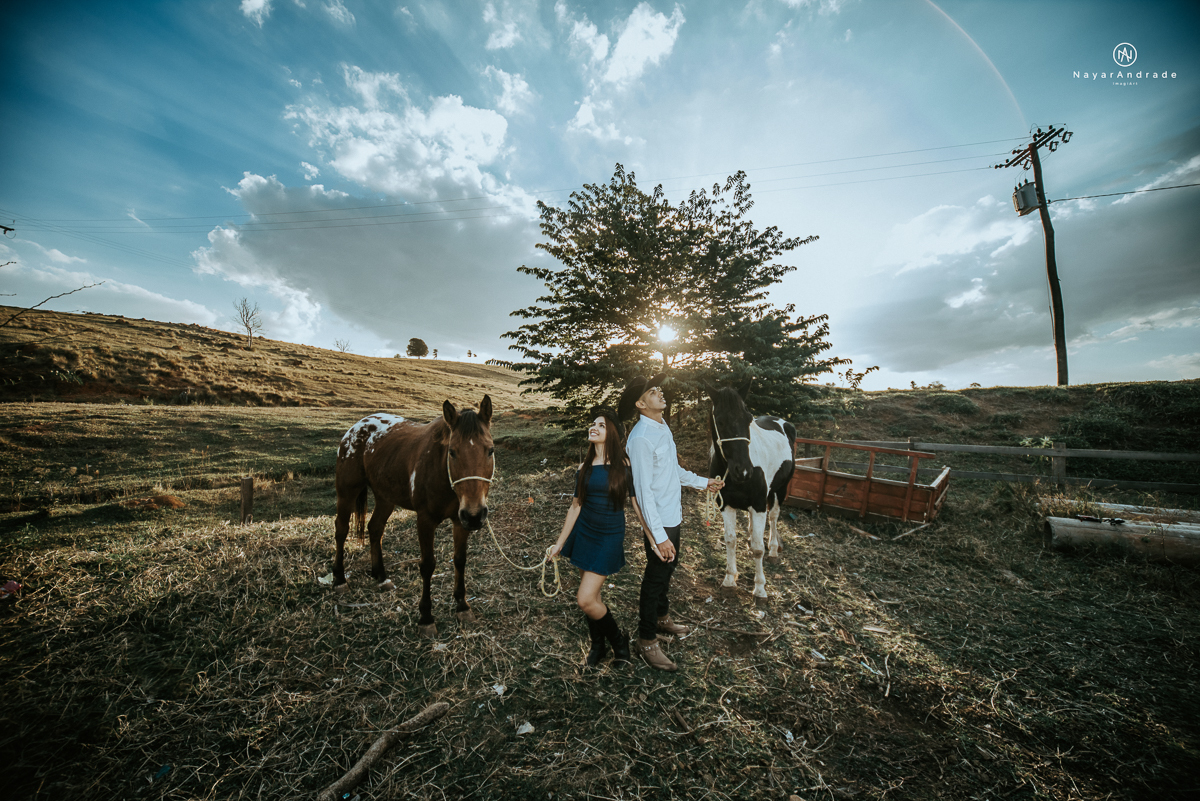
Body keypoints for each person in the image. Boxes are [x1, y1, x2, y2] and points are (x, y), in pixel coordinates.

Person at [620, 374, 724, 671]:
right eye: (653, 392)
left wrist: (704, 483)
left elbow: (673, 470)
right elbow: (642, 491)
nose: (660, 392)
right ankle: (646, 639)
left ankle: (662, 616)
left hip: (672, 514)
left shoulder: (661, 426)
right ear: (641, 404)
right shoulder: (640, 438)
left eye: (658, 388)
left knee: (669, 568)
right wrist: (658, 536)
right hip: (659, 521)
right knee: (655, 576)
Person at [547, 406, 644, 668]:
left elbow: (636, 505)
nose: (594, 427)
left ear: (610, 432)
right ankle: (598, 646)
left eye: (601, 425)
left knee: (585, 599)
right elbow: (575, 506)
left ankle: (619, 642)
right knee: (594, 598)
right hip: (585, 533)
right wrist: (560, 543)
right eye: (593, 423)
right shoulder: (584, 467)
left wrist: (654, 537)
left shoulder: (624, 465)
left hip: (609, 536)